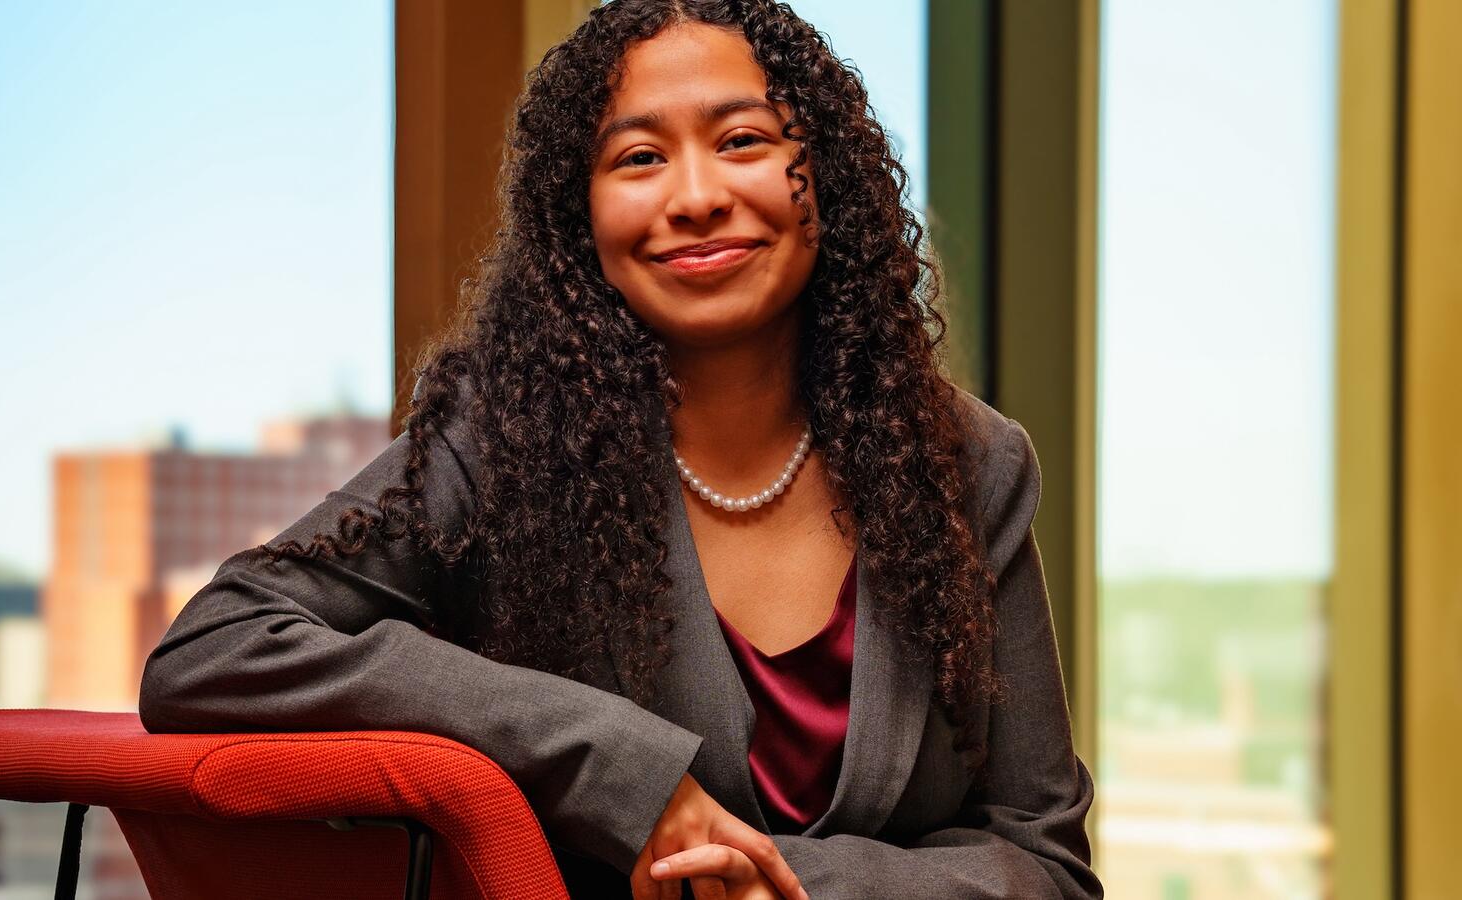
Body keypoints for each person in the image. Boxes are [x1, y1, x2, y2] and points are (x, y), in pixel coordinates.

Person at [139, 1, 1103, 897]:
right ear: (580, 223)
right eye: (638, 159)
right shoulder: (505, 441)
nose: (695, 196)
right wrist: (603, 758)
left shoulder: (968, 463)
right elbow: (216, 648)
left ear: (828, 185)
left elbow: (1044, 863)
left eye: (743, 142)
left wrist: (791, 886)